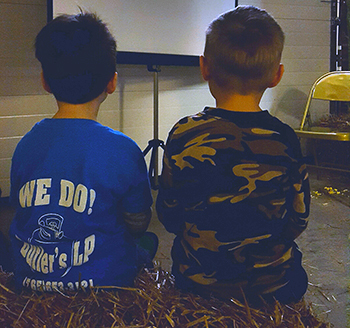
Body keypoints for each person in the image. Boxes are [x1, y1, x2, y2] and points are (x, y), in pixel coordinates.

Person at [156, 5, 310, 305]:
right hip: (273, 287)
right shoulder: (285, 139)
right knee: (296, 270)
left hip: (197, 283)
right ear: (277, 75)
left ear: (204, 67)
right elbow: (297, 219)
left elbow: (169, 214)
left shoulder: (184, 133)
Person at [9, 12, 157, 292]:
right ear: (112, 83)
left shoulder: (25, 144)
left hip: (29, 283)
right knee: (145, 242)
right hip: (104, 287)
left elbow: (23, 209)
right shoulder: (123, 150)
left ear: (45, 81)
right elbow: (137, 222)